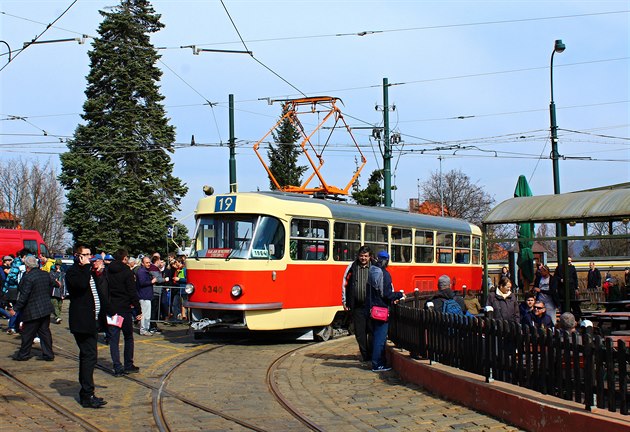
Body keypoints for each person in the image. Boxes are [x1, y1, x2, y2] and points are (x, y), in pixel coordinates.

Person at [65, 245, 108, 409]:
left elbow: (98, 292)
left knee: (89, 356)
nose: (89, 258)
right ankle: (87, 394)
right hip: (82, 322)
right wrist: (88, 268)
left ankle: (88, 392)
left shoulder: (87, 272)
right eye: (86, 255)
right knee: (88, 356)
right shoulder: (74, 272)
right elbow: (81, 286)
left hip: (92, 320)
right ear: (77, 256)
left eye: (90, 255)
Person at [105, 249, 142, 377]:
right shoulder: (127, 272)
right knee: (128, 337)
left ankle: (117, 365)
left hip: (112, 308)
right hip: (124, 308)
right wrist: (138, 309)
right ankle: (128, 364)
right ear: (125, 258)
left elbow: (105, 289)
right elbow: (132, 292)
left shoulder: (107, 270)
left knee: (114, 339)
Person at [10, 255, 55, 361]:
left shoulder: (28, 277)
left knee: (27, 334)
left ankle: (23, 354)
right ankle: (48, 354)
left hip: (32, 310)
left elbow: (23, 294)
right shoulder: (45, 274)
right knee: (44, 332)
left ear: (26, 266)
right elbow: (54, 283)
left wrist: (15, 309)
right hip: (45, 309)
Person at [365, 250, 403, 372]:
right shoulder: (384, 274)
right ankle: (377, 364)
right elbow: (387, 294)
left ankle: (376, 362)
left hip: (372, 309)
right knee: (380, 339)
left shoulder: (372, 271)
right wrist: (399, 294)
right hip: (382, 309)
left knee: (375, 336)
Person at [342, 245, 372, 363]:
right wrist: (344, 301)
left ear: (370, 257)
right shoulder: (352, 267)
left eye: (365, 256)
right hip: (358, 305)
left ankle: (371, 353)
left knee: (372, 331)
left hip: (371, 306)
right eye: (361, 256)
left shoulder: (374, 267)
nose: (363, 258)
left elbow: (383, 282)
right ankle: (365, 356)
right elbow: (345, 284)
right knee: (360, 333)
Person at [5, 248, 31, 334]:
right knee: (17, 308)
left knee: (18, 308)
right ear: (24, 257)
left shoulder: (17, 263)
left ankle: (15, 327)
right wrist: (20, 282)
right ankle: (12, 327)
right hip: (15, 289)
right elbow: (12, 277)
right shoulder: (18, 264)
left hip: (14, 289)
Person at [136, 256, 157, 336]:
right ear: (142, 263)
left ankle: (145, 329)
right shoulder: (141, 272)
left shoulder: (145, 271)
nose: (149, 264)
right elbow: (142, 283)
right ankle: (144, 330)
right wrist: (151, 281)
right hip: (144, 296)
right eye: (147, 263)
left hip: (146, 295)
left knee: (147, 314)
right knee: (145, 315)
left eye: (149, 262)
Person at [49, 259, 65, 324]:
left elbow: (64, 283)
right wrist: (57, 273)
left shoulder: (63, 273)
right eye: (57, 265)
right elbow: (52, 280)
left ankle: (58, 316)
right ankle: (57, 317)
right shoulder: (52, 272)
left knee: (59, 306)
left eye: (59, 265)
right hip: (53, 291)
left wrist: (64, 293)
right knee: (54, 305)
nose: (58, 266)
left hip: (60, 292)